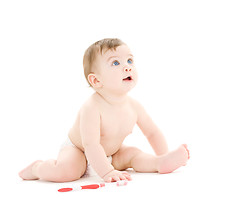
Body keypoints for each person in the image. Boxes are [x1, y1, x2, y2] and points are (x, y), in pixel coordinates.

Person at [19, 38, 190, 183]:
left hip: (112, 152)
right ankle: (38, 168)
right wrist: (107, 172)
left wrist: (163, 152)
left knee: (133, 154)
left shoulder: (134, 106)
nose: (127, 67)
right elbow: (91, 144)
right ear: (96, 80)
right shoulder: (91, 107)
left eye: (130, 61)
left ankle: (160, 162)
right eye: (116, 63)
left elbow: (152, 133)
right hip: (79, 151)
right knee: (66, 171)